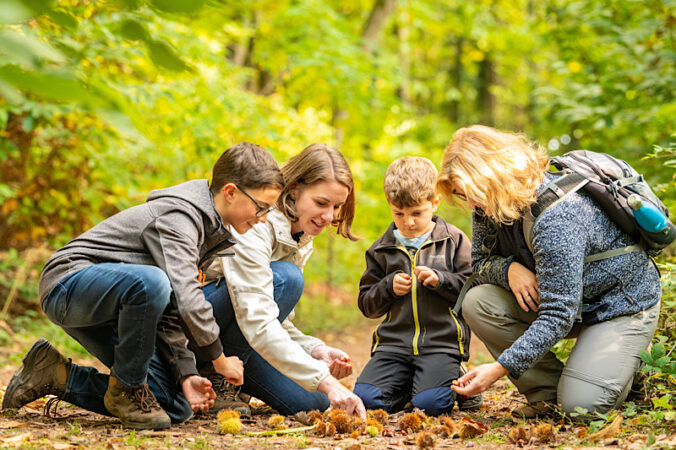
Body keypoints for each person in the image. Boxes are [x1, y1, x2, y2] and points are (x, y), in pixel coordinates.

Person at [2, 143, 284, 429]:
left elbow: (173, 310)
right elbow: (187, 298)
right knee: (152, 281)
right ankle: (127, 389)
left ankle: (55, 374)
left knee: (174, 405)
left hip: (119, 309)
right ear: (231, 192)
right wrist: (219, 360)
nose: (262, 219)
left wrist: (187, 374)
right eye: (261, 207)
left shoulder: (209, 231)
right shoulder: (180, 217)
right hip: (68, 285)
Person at [438, 125, 662, 419]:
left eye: (470, 193)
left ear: (491, 176)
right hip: (572, 303)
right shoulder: (488, 205)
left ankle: (619, 368)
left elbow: (558, 313)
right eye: (460, 195)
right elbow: (479, 261)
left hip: (620, 306)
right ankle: (549, 394)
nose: (471, 204)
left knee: (583, 408)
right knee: (478, 302)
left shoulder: (557, 215)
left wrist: (499, 369)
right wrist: (509, 270)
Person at [195, 143, 367, 419]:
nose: (329, 216)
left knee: (312, 402)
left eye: (337, 206)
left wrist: (315, 350)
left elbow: (274, 315)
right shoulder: (256, 223)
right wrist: (328, 381)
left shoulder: (299, 236)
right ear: (294, 189)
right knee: (288, 279)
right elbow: (257, 316)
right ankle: (219, 378)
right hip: (199, 325)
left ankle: (234, 375)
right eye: (322, 203)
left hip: (243, 333)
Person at [353, 156, 479, 416]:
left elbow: (472, 286)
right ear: (390, 205)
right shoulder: (381, 249)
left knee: (431, 406)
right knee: (365, 400)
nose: (408, 222)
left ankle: (451, 378)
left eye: (416, 213)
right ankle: (413, 385)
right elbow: (367, 305)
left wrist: (441, 281)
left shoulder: (454, 241)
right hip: (392, 347)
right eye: (399, 213)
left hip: (440, 345)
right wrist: (388, 287)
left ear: (435, 203)